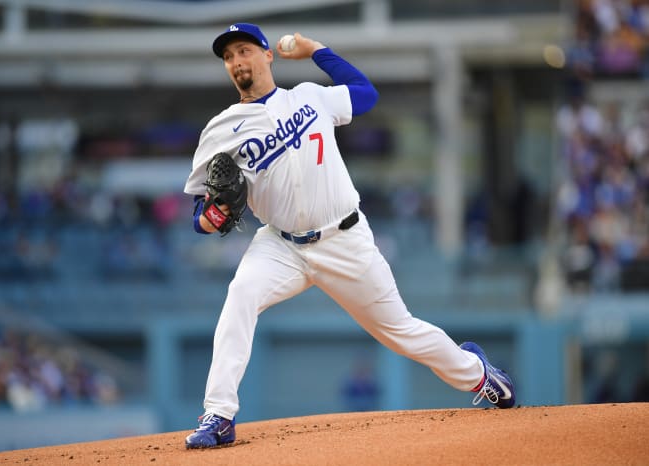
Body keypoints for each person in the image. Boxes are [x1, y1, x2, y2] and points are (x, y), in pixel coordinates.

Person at [183, 23, 516, 449]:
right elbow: (199, 211)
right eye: (228, 57)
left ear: (267, 55)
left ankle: (480, 375)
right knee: (239, 297)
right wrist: (211, 217)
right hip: (280, 244)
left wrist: (317, 50)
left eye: (244, 51)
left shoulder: (309, 96)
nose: (236, 62)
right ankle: (220, 414)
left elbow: (365, 93)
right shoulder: (221, 129)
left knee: (400, 331)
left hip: (344, 238)